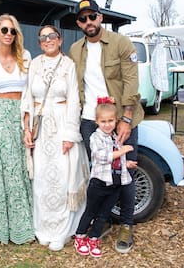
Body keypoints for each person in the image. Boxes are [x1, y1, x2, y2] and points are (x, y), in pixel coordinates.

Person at [68, 0, 144, 254]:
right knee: (100, 175)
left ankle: (126, 225)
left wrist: (126, 118)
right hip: (90, 122)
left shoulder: (121, 43)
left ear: (100, 18)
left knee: (124, 174)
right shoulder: (75, 49)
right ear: (78, 23)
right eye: (83, 19)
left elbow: (132, 81)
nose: (88, 22)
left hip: (120, 119)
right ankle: (104, 220)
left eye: (92, 17)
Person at [21, 25, 90, 251]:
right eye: (43, 37)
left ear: (60, 40)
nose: (48, 40)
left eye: (52, 36)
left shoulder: (68, 65)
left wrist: (70, 134)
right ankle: (44, 228)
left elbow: (74, 100)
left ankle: (62, 231)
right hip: (41, 127)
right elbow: (27, 98)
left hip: (61, 125)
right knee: (41, 178)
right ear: (39, 42)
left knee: (62, 178)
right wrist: (27, 128)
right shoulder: (34, 64)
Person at [0, 14, 35, 245]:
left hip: (18, 116)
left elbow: (30, 93)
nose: (8, 35)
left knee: (20, 169)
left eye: (12, 31)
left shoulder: (25, 57)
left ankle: (24, 225)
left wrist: (27, 124)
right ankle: (0, 228)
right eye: (4, 30)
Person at [74, 98, 136, 258]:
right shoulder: (95, 138)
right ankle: (80, 236)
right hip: (98, 184)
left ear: (116, 121)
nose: (107, 124)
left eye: (110, 121)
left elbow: (116, 160)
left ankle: (94, 238)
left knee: (103, 213)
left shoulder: (114, 138)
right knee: (91, 211)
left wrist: (126, 162)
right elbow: (101, 156)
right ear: (97, 121)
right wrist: (122, 152)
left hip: (114, 184)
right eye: (103, 121)